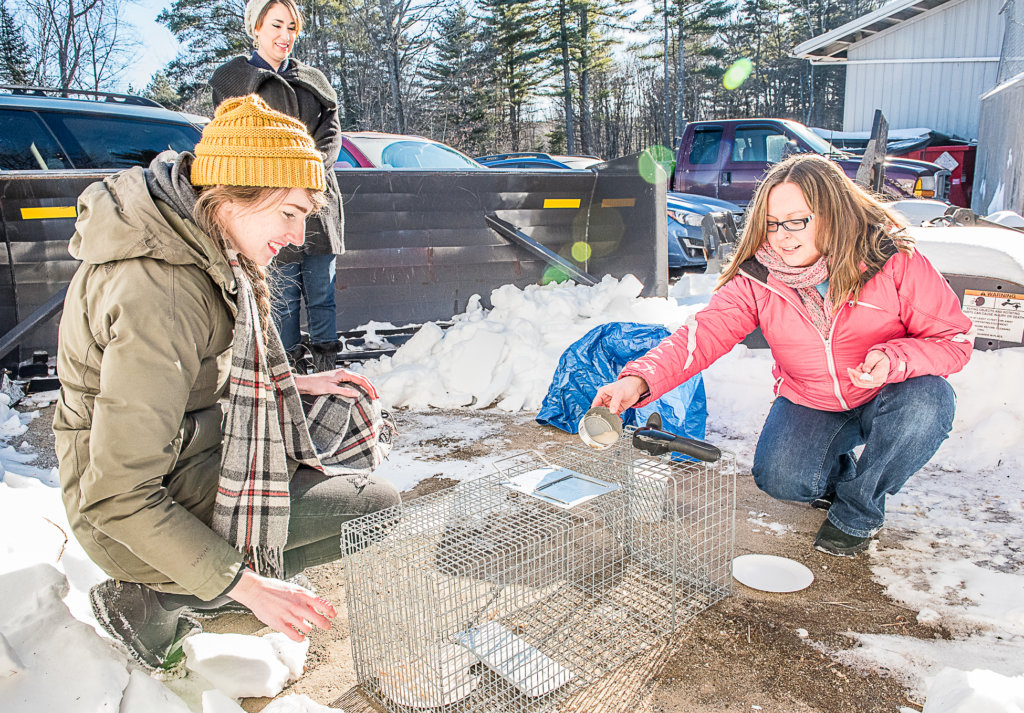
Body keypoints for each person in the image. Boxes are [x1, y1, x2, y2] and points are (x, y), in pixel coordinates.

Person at [53, 95, 400, 670]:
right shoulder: (159, 295)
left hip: (189, 449)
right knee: (372, 509)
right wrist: (247, 586)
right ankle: (158, 599)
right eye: (289, 213)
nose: (296, 236)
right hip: (124, 513)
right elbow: (116, 494)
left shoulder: (202, 240)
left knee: (345, 436)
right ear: (234, 195)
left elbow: (209, 367)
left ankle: (188, 588)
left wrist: (299, 386)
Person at [593, 154, 974, 557]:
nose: (782, 236)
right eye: (772, 223)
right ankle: (838, 475)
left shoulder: (892, 261)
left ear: (833, 214)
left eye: (797, 221)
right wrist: (637, 381)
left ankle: (859, 509)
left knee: (929, 403)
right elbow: (700, 337)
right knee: (779, 478)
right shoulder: (758, 277)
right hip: (812, 399)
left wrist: (894, 359)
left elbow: (954, 340)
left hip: (891, 393)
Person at [210, 0, 345, 372]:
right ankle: (287, 369)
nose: (285, 36)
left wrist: (306, 176)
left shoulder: (314, 81)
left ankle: (326, 364)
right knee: (282, 291)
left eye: (291, 28)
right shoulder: (233, 79)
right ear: (257, 27)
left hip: (316, 203)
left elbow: (330, 136)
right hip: (266, 205)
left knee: (321, 291)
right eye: (276, 26)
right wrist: (279, 183)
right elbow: (237, 137)